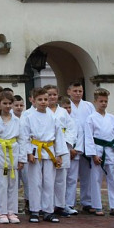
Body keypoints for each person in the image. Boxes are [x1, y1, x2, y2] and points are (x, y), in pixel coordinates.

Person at [20, 87, 67, 222]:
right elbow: (25, 136)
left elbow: (59, 136)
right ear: (33, 101)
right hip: (35, 151)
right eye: (40, 100)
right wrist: (29, 152)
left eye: (45, 99)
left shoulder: (53, 116)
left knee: (49, 182)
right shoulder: (28, 117)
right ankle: (35, 210)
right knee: (35, 182)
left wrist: (59, 154)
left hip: (49, 151)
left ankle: (48, 210)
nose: (43, 102)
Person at [82, 88, 114, 216]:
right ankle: (97, 206)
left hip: (111, 150)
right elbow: (89, 138)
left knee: (113, 179)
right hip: (98, 150)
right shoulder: (90, 118)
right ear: (95, 101)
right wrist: (93, 154)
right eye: (101, 101)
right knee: (96, 179)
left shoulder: (112, 118)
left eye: (105, 101)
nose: (103, 103)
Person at [45, 84, 78, 217]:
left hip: (62, 147)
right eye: (49, 94)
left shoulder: (63, 112)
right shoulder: (41, 111)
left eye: (54, 94)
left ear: (58, 95)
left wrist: (66, 144)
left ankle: (60, 204)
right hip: (47, 147)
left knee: (61, 178)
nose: (52, 97)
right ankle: (48, 205)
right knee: (48, 178)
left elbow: (72, 128)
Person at [0, 91, 23, 224]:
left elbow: (22, 139)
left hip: (13, 151)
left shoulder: (17, 120)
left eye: (10, 103)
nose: (8, 106)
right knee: (2, 184)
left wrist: (21, 158)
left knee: (13, 184)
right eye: (5, 103)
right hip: (0, 152)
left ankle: (12, 211)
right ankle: (2, 212)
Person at [64, 79, 94, 213]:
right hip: (70, 147)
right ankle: (68, 203)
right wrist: (72, 148)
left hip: (86, 145)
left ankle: (87, 201)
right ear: (69, 92)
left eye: (80, 91)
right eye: (75, 91)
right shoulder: (64, 106)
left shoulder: (88, 106)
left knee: (87, 175)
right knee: (70, 177)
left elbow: (91, 127)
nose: (77, 94)